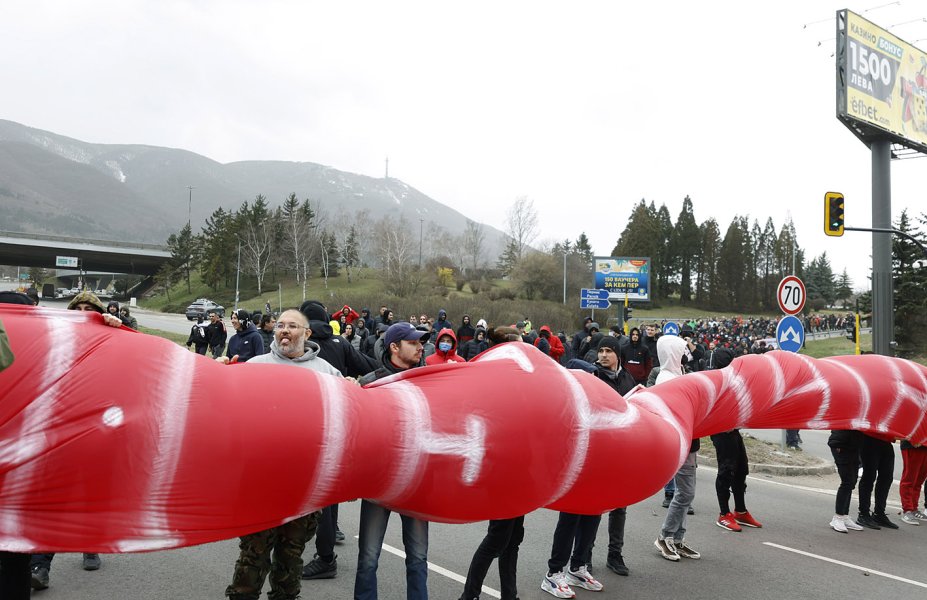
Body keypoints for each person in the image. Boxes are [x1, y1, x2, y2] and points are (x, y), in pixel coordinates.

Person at [224, 309, 339, 600]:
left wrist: (353, 388)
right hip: (261, 484)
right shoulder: (256, 365)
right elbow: (230, 407)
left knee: (290, 558)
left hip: (304, 487)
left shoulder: (326, 372)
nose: (284, 331)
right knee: (253, 556)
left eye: (292, 326)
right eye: (280, 326)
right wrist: (221, 372)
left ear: (307, 334)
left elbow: (346, 416)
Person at [30, 291, 120, 590]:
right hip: (62, 427)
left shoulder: (112, 336)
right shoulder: (58, 338)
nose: (83, 313)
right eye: (78, 308)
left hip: (98, 429)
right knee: (54, 498)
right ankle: (40, 566)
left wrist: (115, 326)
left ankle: (89, 542)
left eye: (89, 309)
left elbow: (137, 352)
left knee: (90, 493)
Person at [355, 322, 431, 600]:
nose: (421, 346)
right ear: (395, 347)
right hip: (378, 483)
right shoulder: (370, 383)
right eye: (414, 342)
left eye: (421, 342)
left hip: (416, 483)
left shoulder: (431, 380)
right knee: (368, 558)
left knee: (418, 558)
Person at [458, 326, 526, 600]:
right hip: (501, 469)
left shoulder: (518, 377)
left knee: (513, 540)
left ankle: (510, 595)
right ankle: (469, 594)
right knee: (498, 538)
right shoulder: (494, 378)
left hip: (520, 469)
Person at [653, 335, 703, 562]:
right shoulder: (665, 378)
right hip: (680, 442)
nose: (685, 354)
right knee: (686, 493)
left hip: (690, 440)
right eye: (681, 350)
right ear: (672, 352)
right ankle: (665, 536)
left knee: (686, 492)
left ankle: (677, 539)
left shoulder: (677, 374)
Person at [857, 432, 898, 529]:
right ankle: (863, 514)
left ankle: (879, 513)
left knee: (887, 478)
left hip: (886, 441)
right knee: (869, 477)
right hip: (870, 439)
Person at [827, 430, 865, 533]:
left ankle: (844, 516)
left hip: (853, 445)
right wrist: (838, 444)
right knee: (847, 482)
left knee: (852, 482)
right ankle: (838, 517)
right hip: (841, 444)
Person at [900, 440, 927, 525]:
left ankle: (914, 508)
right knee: (909, 479)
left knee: (919, 481)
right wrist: (914, 438)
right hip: (913, 444)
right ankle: (907, 510)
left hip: (924, 445)